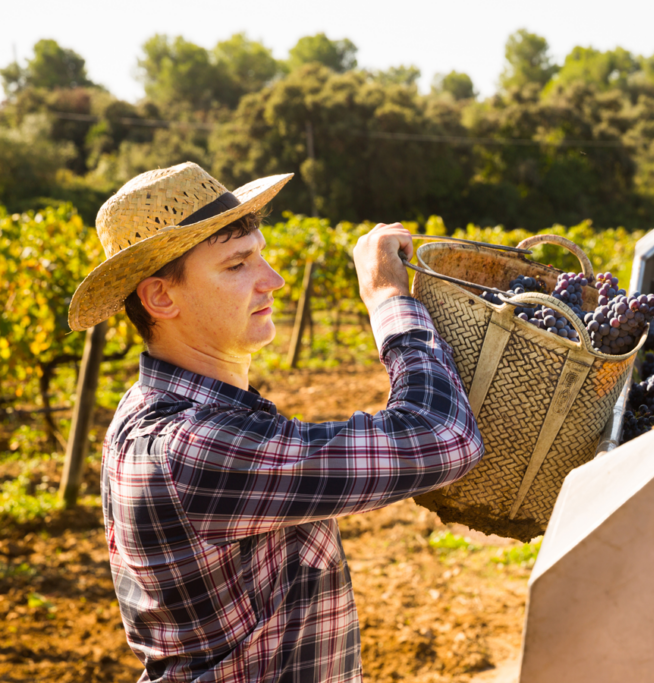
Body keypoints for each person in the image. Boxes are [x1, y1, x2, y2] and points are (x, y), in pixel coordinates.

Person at [67, 162, 484, 682]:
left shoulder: (158, 411)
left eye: (259, 254)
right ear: (160, 297)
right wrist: (389, 302)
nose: (274, 281)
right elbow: (443, 436)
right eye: (237, 264)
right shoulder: (190, 447)